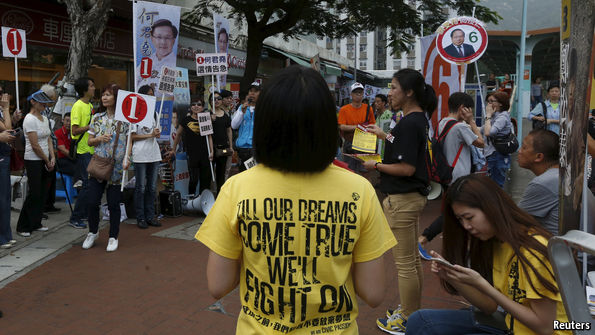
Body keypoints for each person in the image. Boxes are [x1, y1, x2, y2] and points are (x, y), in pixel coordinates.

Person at [196, 65, 397, 334]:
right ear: (327, 123)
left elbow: (218, 286)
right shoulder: (359, 191)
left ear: (267, 124)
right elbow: (373, 293)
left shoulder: (237, 189)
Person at [405, 174, 570, 335]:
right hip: (510, 325)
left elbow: (545, 327)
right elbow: (489, 307)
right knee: (420, 321)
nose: (466, 226)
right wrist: (453, 276)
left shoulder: (533, 252)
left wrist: (483, 285)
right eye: (460, 220)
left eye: (469, 217)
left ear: (491, 207)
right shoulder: (495, 242)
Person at [362, 69, 437, 333]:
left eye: (394, 88)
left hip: (403, 200)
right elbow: (405, 145)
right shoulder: (416, 120)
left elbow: (405, 168)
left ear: (409, 92)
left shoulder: (409, 122)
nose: (389, 93)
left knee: (404, 264)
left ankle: (407, 318)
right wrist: (384, 137)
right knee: (411, 261)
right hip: (410, 198)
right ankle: (411, 310)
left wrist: (376, 165)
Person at [419, 92, 485, 246]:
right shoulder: (460, 126)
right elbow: (481, 143)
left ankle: (452, 241)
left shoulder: (442, 122)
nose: (470, 113)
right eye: (469, 110)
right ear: (462, 108)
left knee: (454, 210)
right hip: (459, 176)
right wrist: (471, 122)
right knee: (455, 212)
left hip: (446, 174)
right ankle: (424, 238)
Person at [82, 84, 130, 252]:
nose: (104, 97)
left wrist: (127, 158)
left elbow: (130, 141)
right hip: (99, 165)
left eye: (108, 94)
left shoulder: (125, 120)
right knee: (92, 201)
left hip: (117, 168)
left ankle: (113, 236)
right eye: (103, 94)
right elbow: (89, 141)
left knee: (114, 204)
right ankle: (92, 232)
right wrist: (99, 138)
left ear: (116, 98)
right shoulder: (97, 118)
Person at [16, 90, 56, 237]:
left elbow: (49, 139)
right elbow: (34, 145)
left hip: (45, 158)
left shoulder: (44, 118)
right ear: (33, 102)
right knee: (34, 193)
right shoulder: (29, 119)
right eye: (42, 102)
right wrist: (47, 159)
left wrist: (52, 157)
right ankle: (23, 226)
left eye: (46, 103)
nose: (45, 105)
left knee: (42, 193)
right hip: (33, 159)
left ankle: (36, 222)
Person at [517, 129, 560, 235]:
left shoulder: (543, 183)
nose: (519, 151)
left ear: (539, 157)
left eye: (524, 147)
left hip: (557, 249)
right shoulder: (560, 174)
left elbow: (515, 221)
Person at [131, 86, 162, 229]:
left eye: (152, 94)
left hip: (154, 154)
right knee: (141, 188)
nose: (151, 97)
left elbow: (157, 134)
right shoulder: (135, 114)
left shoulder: (156, 113)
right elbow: (132, 136)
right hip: (140, 155)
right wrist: (150, 135)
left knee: (152, 187)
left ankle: (150, 216)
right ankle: (140, 217)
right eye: (148, 95)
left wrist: (156, 133)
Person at [171, 98, 213, 195]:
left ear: (203, 107)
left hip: (205, 154)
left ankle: (203, 202)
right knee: (193, 179)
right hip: (192, 154)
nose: (196, 106)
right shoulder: (186, 120)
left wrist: (211, 152)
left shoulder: (205, 118)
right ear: (190, 107)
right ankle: (191, 200)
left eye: (199, 104)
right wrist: (173, 149)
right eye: (194, 104)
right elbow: (178, 135)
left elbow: (209, 136)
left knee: (205, 181)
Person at [69, 77, 96, 229]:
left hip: (91, 149)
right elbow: (74, 131)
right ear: (84, 89)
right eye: (91, 86)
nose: (94, 88)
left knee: (89, 184)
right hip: (83, 150)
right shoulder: (78, 106)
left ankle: (83, 213)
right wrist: (90, 126)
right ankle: (76, 217)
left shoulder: (90, 105)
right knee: (86, 185)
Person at [338, 82, 376, 172]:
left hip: (365, 143)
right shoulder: (344, 109)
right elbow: (341, 127)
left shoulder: (368, 108)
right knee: (350, 171)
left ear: (363, 94)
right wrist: (359, 127)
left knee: (366, 171)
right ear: (351, 94)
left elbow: (373, 125)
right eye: (356, 92)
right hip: (350, 143)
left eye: (360, 92)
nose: (358, 95)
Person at [137, 19, 178, 91]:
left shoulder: (175, 65)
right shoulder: (147, 62)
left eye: (167, 37)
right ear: (152, 39)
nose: (163, 42)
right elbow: (136, 80)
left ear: (173, 40)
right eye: (159, 37)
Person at [483, 91, 513, 188]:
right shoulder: (495, 115)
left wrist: (487, 116)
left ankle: (497, 203)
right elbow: (482, 129)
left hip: (498, 155)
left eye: (492, 101)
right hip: (493, 154)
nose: (489, 104)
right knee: (492, 184)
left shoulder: (502, 117)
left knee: (495, 186)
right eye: (488, 101)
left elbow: (488, 132)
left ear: (500, 103)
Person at [40, 84, 61, 214]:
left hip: (51, 148)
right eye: (52, 98)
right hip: (44, 149)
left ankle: (49, 203)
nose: (53, 101)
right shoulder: (41, 111)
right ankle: (43, 206)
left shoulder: (47, 110)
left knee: (51, 177)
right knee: (45, 178)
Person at [231, 82, 260, 172]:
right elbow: (234, 125)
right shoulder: (242, 108)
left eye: (255, 91)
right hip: (242, 149)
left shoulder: (264, 108)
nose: (252, 93)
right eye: (250, 91)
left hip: (256, 148)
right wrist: (241, 112)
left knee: (254, 175)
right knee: (243, 173)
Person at [209, 91, 233, 195]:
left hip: (223, 149)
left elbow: (229, 130)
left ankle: (220, 196)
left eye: (218, 98)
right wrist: (210, 119)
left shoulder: (225, 115)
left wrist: (231, 146)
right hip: (210, 149)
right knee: (209, 174)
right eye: (214, 99)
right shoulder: (206, 114)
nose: (216, 101)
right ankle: (208, 196)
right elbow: (205, 132)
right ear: (210, 101)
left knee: (221, 174)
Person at [0, 95, 16, 249]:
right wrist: (6, 109)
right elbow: (7, 130)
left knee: (4, 198)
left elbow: (8, 131)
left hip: (3, 157)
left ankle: (5, 235)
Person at [54, 113, 78, 179]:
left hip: (71, 158)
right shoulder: (58, 133)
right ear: (63, 120)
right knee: (77, 169)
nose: (69, 123)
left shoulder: (73, 133)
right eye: (67, 121)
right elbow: (63, 150)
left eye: (71, 121)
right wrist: (74, 158)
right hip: (61, 160)